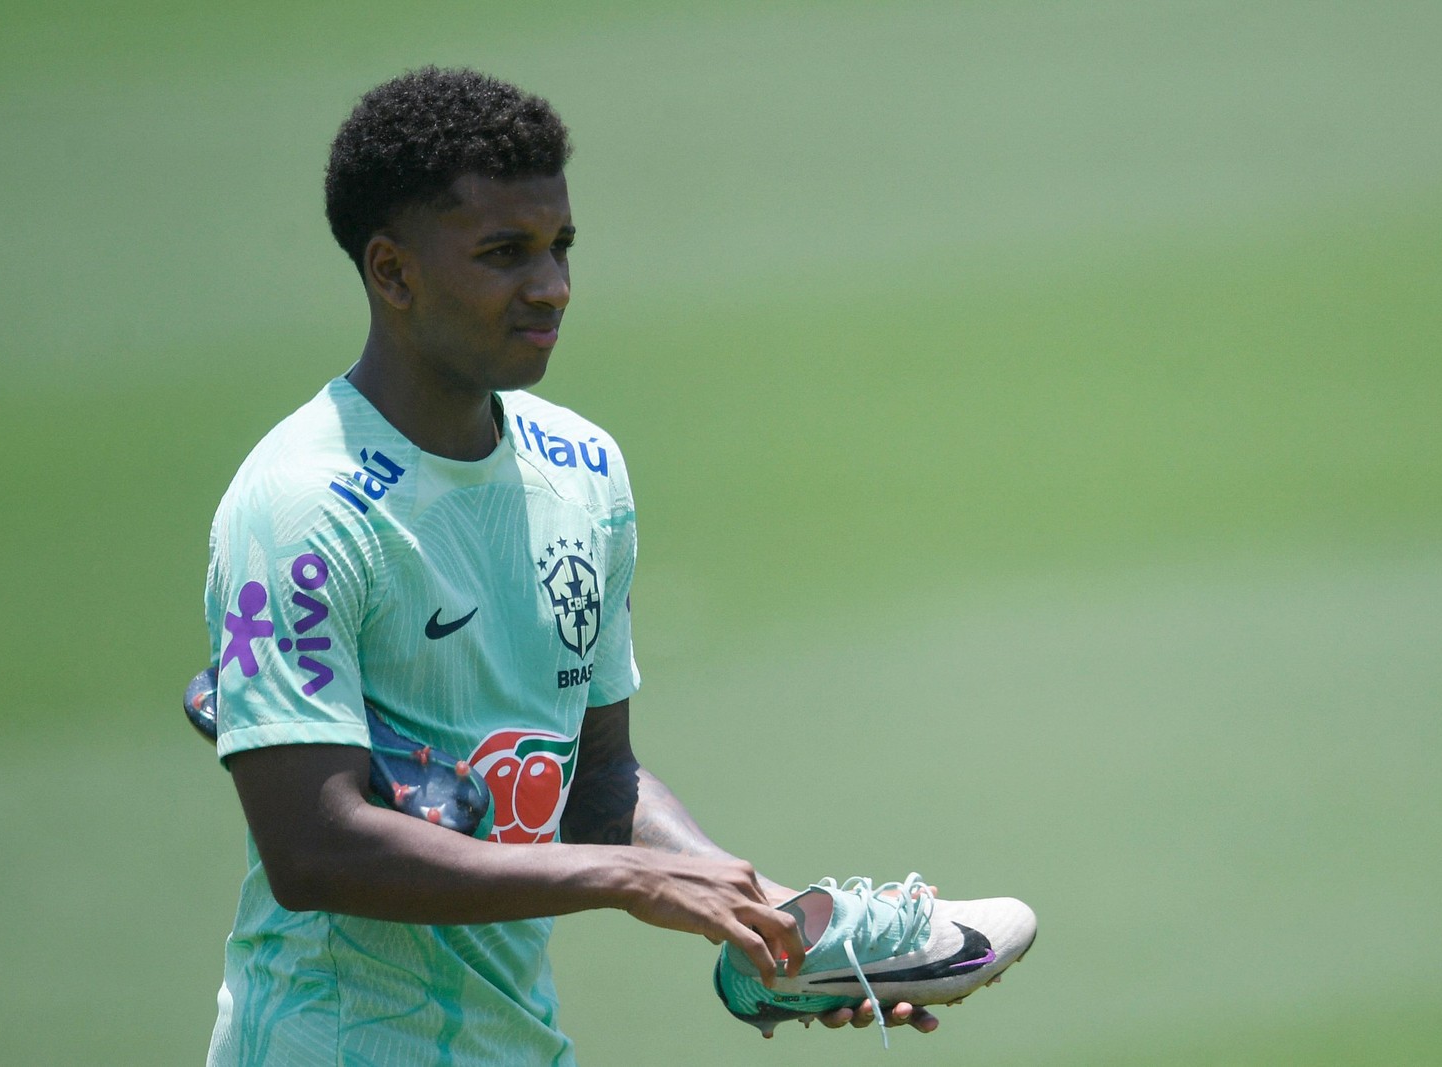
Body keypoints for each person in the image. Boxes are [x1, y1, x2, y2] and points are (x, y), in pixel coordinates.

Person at [202, 66, 936, 1065]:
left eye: (560, 247)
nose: (550, 287)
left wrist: (766, 919)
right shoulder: (301, 505)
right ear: (393, 271)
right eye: (504, 253)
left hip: (518, 1045)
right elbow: (314, 846)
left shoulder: (583, 471)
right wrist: (625, 879)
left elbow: (594, 781)